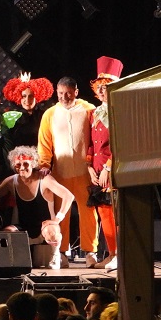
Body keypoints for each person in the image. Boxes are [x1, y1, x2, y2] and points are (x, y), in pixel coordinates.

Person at [37, 77, 97, 268]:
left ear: (76, 92)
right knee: (61, 215)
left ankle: (90, 252)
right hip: (60, 173)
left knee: (89, 213)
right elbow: (44, 142)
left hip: (84, 173)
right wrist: (44, 164)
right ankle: (61, 251)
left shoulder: (89, 110)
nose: (64, 97)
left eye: (68, 93)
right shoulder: (50, 114)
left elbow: (97, 139)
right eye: (60, 93)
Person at [0, 146, 74, 269]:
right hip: (24, 227)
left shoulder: (45, 179)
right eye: (18, 164)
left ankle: (56, 255)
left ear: (33, 163)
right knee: (6, 233)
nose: (22, 167)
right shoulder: (11, 182)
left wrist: (57, 220)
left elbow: (68, 196)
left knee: (51, 231)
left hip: (45, 227)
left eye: (25, 163)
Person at [87, 57, 122, 270]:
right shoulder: (94, 113)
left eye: (106, 86)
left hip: (113, 168)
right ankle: (111, 253)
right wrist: (89, 166)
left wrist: (109, 167)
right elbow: (91, 144)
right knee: (103, 213)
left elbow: (121, 143)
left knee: (115, 214)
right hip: (97, 169)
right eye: (100, 86)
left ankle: (119, 253)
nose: (102, 90)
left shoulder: (119, 111)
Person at [2, 72, 54, 148]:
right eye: (24, 96)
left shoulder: (45, 116)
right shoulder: (12, 118)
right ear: (19, 98)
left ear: (37, 97)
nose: (27, 100)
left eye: (31, 96)